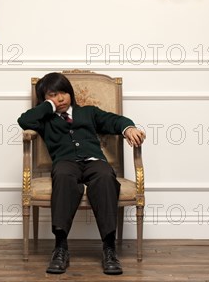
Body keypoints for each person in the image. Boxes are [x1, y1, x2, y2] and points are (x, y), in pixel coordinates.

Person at [17, 72, 145, 275]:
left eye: (63, 93)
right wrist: (48, 106)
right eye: (52, 95)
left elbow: (114, 120)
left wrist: (128, 128)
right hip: (65, 162)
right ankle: (60, 247)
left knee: (105, 177)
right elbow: (24, 120)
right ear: (44, 100)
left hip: (94, 161)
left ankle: (109, 248)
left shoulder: (88, 112)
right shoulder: (45, 119)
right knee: (63, 177)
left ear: (70, 93)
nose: (59, 98)